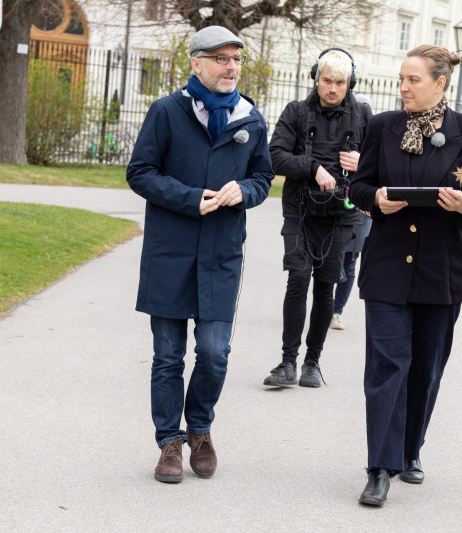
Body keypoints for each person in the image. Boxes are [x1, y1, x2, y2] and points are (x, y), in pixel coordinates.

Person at [348, 44, 462, 506]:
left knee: (426, 369)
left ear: (440, 84)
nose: (403, 88)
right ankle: (379, 467)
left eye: (413, 80)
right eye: (401, 79)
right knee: (386, 368)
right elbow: (358, 185)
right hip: (389, 267)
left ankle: (410, 451)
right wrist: (376, 200)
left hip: (441, 270)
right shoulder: (381, 126)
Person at [126, 26, 274, 483]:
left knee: (214, 353)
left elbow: (263, 178)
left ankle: (201, 429)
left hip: (222, 254)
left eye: (236, 59)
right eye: (220, 58)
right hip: (170, 252)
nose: (231, 67)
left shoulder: (251, 119)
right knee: (168, 356)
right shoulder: (166, 111)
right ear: (196, 63)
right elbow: (140, 172)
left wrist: (243, 191)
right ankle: (170, 442)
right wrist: (191, 197)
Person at [263, 48, 371, 388]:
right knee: (298, 277)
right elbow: (275, 156)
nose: (333, 89)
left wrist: (362, 162)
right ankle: (287, 361)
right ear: (316, 77)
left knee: (327, 286)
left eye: (340, 82)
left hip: (341, 215)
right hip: (300, 209)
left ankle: (312, 362)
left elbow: (383, 165)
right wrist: (313, 168)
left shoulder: (365, 115)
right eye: (327, 81)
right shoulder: (295, 112)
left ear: (349, 81)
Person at [330, 93, 374, 331]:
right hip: (333, 203)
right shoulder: (336, 136)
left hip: (361, 207)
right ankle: (325, 306)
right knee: (329, 259)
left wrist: (363, 162)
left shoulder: (374, 145)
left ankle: (336, 311)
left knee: (349, 261)